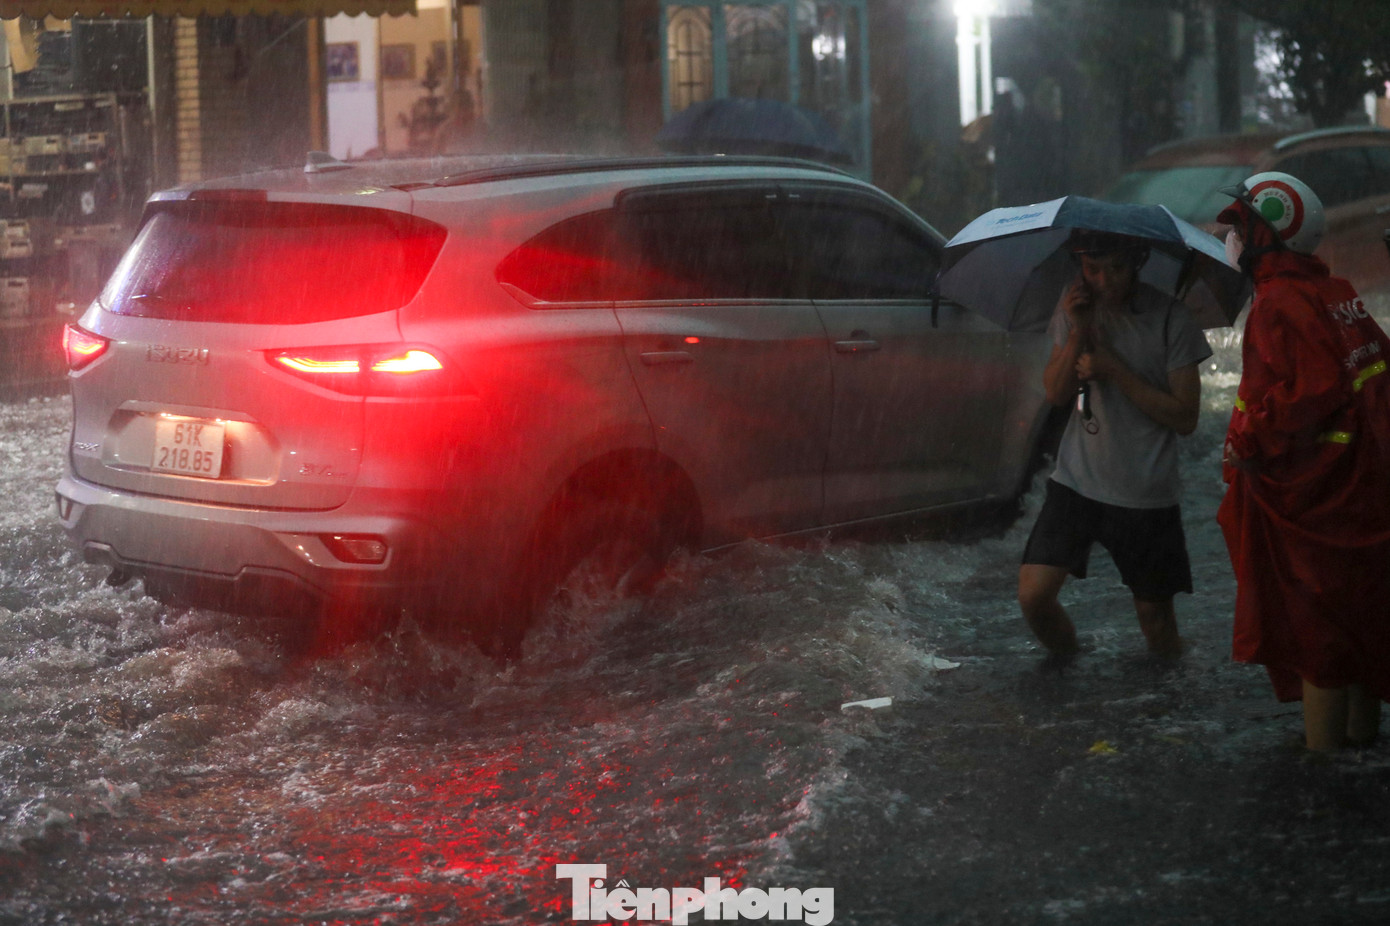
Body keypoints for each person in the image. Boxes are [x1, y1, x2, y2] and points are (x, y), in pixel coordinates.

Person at [1215, 171, 1390, 752]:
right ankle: (1362, 744)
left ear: (1270, 235)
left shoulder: (1277, 302)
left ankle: (1322, 771)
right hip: (1362, 483)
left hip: (1314, 495)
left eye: (1240, 227)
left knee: (1317, 625)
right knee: (1361, 614)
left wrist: (1249, 441)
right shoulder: (1336, 292)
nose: (1231, 240)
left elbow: (1309, 391)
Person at [1017, 229, 1213, 660]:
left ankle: (1167, 697)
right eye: (1092, 270)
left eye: (1116, 269)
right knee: (1034, 597)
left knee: (1156, 623)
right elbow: (1055, 392)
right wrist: (1077, 333)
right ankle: (1069, 667)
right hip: (1076, 481)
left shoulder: (1170, 319)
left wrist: (1114, 370)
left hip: (1144, 494)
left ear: (1138, 263)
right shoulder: (1074, 310)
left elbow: (1185, 417)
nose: (1104, 281)